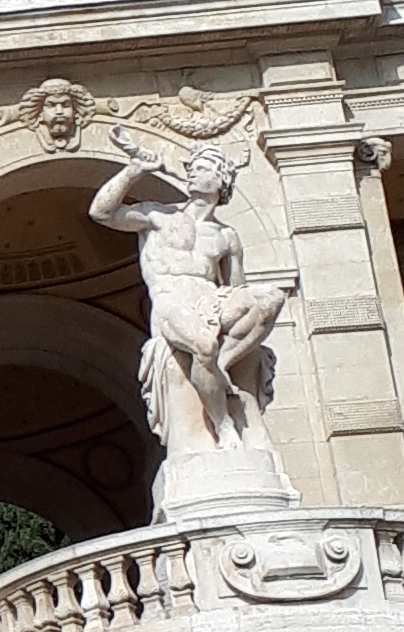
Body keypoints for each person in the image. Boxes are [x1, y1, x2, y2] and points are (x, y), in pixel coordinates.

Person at [87, 143, 295, 495]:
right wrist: (135, 169)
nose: (193, 171)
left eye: (203, 167)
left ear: (221, 181)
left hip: (209, 298)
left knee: (270, 297)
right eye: (193, 166)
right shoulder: (157, 215)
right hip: (171, 301)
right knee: (202, 343)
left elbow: (235, 287)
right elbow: (102, 212)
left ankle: (218, 367)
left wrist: (236, 321)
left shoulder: (226, 236)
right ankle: (223, 423)